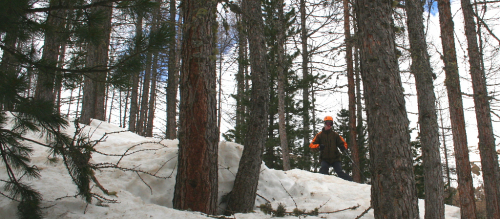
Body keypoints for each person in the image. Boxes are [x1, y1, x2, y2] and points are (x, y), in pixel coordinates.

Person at [309, 116, 353, 181]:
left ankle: (351, 182)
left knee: (340, 172)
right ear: (324, 123)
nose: (329, 125)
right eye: (327, 123)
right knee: (323, 171)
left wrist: (343, 147)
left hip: (335, 158)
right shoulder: (319, 135)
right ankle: (323, 186)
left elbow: (344, 143)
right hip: (324, 158)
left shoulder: (335, 135)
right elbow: (311, 145)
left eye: (331, 123)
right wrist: (319, 146)